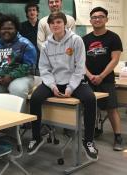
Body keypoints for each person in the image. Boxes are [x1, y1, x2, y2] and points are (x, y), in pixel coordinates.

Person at [28, 12, 98, 161]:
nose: (55, 25)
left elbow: (80, 68)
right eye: (52, 23)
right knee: (35, 98)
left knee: (90, 99)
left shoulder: (76, 40)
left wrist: (70, 88)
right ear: (49, 25)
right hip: (53, 81)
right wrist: (52, 86)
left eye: (59, 22)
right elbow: (44, 69)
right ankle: (36, 137)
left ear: (65, 24)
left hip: (74, 81)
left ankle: (89, 140)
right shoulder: (46, 45)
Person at [83, 7, 124, 151]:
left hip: (106, 80)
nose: (97, 19)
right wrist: (90, 76)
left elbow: (115, 60)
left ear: (106, 19)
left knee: (111, 108)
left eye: (100, 16)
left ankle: (118, 136)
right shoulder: (85, 39)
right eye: (94, 17)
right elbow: (80, 61)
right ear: (90, 20)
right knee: (90, 108)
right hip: (88, 80)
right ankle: (92, 132)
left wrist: (101, 76)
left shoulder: (113, 38)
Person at [0, 14, 37, 112]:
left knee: (17, 88)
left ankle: (19, 124)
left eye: (10, 28)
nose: (6, 31)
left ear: (16, 29)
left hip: (22, 77)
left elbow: (29, 66)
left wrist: (11, 76)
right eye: (3, 28)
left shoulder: (25, 44)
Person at [20, 3, 40, 74]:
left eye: (34, 10)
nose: (32, 12)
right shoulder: (21, 26)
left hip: (40, 56)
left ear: (37, 12)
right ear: (27, 13)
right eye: (29, 10)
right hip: (26, 56)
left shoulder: (43, 24)